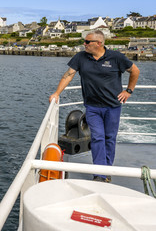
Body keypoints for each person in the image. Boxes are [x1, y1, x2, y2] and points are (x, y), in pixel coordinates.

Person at [49, 30, 140, 182]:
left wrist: (128, 91)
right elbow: (68, 75)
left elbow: (135, 71)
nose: (84, 44)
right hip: (92, 107)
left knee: (109, 138)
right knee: (97, 138)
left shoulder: (116, 57)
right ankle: (100, 173)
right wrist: (57, 93)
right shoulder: (80, 57)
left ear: (98, 43)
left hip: (113, 107)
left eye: (87, 42)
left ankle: (107, 168)